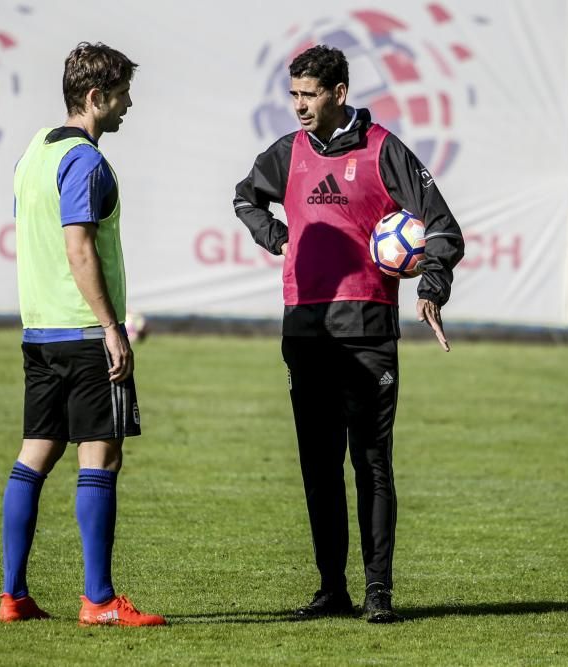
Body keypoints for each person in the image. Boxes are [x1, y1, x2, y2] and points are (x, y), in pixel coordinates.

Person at [233, 45, 465, 623]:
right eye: (294, 95)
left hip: (366, 331)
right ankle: (331, 589)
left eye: (309, 95)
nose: (299, 106)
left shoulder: (384, 149)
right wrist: (278, 237)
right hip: (305, 330)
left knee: (371, 462)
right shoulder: (287, 154)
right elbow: (244, 197)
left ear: (339, 93)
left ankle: (378, 592)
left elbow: (443, 228)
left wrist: (430, 286)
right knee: (318, 463)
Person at [0, 41, 165, 627]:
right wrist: (112, 328)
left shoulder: (32, 153)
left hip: (38, 331)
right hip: (86, 335)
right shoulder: (87, 162)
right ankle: (98, 600)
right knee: (102, 459)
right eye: (121, 96)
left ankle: (12, 596)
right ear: (95, 98)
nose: (127, 107)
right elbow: (78, 245)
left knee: (33, 458)